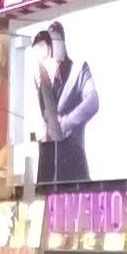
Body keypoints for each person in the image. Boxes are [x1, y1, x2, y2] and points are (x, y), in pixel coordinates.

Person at [31, 21, 98, 184]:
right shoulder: (41, 79)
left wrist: (67, 122)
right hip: (47, 165)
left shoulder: (79, 70)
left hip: (73, 162)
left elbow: (93, 101)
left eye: (55, 40)